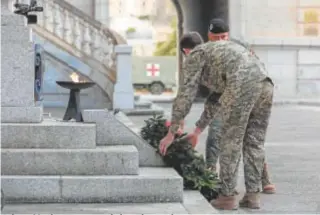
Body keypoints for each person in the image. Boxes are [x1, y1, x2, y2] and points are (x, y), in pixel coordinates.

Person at [159, 40, 274, 210]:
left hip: (242, 82)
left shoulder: (195, 55)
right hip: (265, 83)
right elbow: (216, 100)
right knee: (254, 142)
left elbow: (186, 94)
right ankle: (253, 195)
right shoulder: (221, 53)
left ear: (186, 51)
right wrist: (197, 131)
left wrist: (171, 132)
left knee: (230, 140)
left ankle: (227, 196)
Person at [206, 18, 276, 195]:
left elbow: (257, 67)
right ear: (209, 36)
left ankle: (263, 179)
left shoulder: (240, 45)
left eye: (224, 36)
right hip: (224, 99)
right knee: (215, 135)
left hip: (247, 95)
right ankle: (211, 176)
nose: (221, 40)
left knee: (251, 139)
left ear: (228, 35)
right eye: (217, 37)